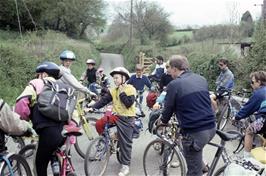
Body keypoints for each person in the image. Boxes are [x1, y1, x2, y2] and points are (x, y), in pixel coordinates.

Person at [157, 55, 216, 176]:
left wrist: (162, 121)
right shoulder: (201, 79)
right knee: (194, 153)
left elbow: (168, 109)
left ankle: (199, 169)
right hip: (211, 128)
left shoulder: (174, 84)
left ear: (174, 68)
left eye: (170, 70)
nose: (169, 73)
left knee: (193, 171)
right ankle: (203, 167)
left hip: (195, 132)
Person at [15, 61, 69, 176]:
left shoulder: (37, 83)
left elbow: (21, 104)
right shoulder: (62, 87)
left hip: (47, 132)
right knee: (53, 153)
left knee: (40, 165)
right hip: (63, 132)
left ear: (43, 74)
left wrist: (24, 120)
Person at [87, 67, 136, 176]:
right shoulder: (114, 90)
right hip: (116, 116)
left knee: (125, 143)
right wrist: (93, 107)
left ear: (124, 78)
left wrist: (122, 92)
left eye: (117, 78)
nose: (114, 80)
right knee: (100, 123)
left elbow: (128, 104)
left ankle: (125, 166)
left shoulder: (130, 89)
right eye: (114, 78)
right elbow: (104, 100)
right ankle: (105, 142)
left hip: (127, 118)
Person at [234, 71, 266, 158]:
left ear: (259, 82)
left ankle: (246, 158)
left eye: (252, 82)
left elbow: (247, 110)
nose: (251, 84)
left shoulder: (260, 92)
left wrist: (236, 117)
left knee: (249, 131)